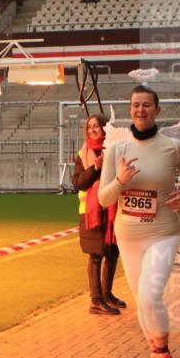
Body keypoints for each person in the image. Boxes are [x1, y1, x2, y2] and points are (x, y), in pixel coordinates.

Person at [98, 85, 180, 358]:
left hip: (163, 232)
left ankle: (165, 357)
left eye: (147, 105)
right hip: (128, 235)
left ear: (157, 110)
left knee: (150, 295)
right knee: (140, 299)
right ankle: (155, 355)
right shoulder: (117, 150)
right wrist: (120, 181)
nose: (140, 110)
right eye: (135, 105)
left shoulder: (173, 147)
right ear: (130, 109)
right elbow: (105, 199)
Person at [72, 114, 125, 316]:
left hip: (112, 210)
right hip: (91, 213)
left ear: (104, 128)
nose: (93, 130)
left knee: (112, 253)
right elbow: (78, 183)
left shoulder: (114, 149)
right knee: (96, 255)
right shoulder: (83, 154)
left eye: (97, 126)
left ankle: (106, 293)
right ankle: (96, 301)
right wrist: (96, 168)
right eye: (90, 127)